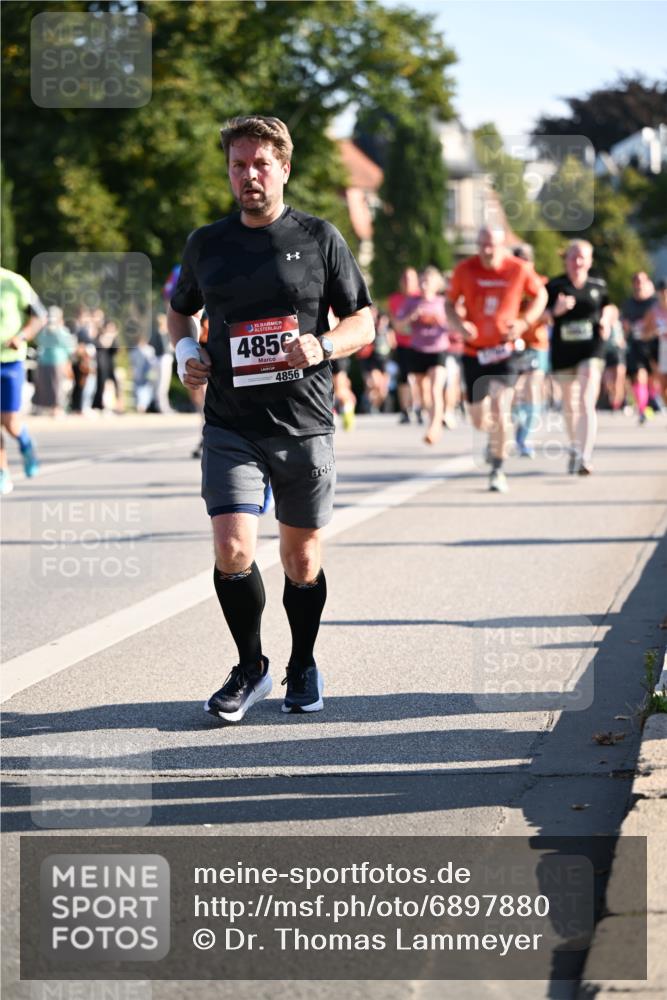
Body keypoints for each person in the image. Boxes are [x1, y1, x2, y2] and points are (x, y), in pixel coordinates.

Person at [167, 114, 374, 723]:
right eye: (238, 165)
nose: (249, 176)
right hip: (230, 423)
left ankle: (302, 662)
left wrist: (325, 345)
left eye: (260, 164)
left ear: (284, 168)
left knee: (301, 561)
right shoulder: (207, 242)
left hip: (303, 423)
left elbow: (364, 318)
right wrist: (185, 351)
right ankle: (251, 665)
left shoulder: (319, 236)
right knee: (233, 548)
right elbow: (180, 312)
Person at [446, 226, 547, 492]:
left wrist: (524, 321)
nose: (486, 251)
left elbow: (541, 295)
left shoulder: (519, 268)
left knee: (501, 408)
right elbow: (449, 302)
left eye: (492, 245)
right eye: (482, 245)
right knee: (479, 418)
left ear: (503, 245)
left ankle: (498, 469)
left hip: (506, 349)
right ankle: (494, 439)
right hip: (474, 351)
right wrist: (459, 323)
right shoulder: (465, 269)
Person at [545, 240, 613, 475]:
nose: (578, 262)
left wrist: (606, 319)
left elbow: (610, 307)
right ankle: (575, 446)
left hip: (591, 348)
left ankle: (585, 456)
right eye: (573, 257)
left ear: (590, 260)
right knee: (569, 404)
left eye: (582, 257)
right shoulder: (554, 286)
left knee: (585, 399)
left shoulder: (598, 285)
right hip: (563, 351)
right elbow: (540, 317)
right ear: (566, 259)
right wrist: (556, 311)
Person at [0, 267, 46, 494]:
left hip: (9, 362)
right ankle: (3, 471)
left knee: (9, 422)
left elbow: (40, 316)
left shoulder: (13, 282)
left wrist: (21, 337)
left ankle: (26, 442)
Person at [398, 266, 450, 445]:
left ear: (436, 285)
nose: (423, 284)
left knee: (436, 388)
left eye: (427, 281)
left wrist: (439, 320)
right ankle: (432, 420)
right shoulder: (411, 302)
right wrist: (412, 317)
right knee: (423, 393)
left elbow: (452, 327)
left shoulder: (442, 302)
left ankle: (434, 427)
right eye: (421, 281)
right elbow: (399, 326)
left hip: (438, 350)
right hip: (417, 349)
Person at [511, 244, 550, 459]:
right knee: (514, 390)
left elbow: (549, 313)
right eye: (517, 261)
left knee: (532, 387)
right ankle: (515, 426)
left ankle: (524, 437)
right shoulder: (507, 284)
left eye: (525, 261)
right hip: (511, 344)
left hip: (536, 343)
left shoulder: (543, 284)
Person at [621, 271, 659, 423]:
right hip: (635, 344)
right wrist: (626, 328)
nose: (639, 285)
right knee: (639, 376)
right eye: (636, 281)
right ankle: (642, 409)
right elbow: (624, 322)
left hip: (654, 344)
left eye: (642, 281)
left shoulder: (654, 302)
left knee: (654, 379)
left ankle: (653, 400)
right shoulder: (628, 303)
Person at [388, 267, 422, 423]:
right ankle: (405, 409)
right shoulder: (395, 299)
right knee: (404, 378)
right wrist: (410, 319)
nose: (408, 282)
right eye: (405, 279)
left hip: (421, 344)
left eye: (411, 279)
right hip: (402, 344)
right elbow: (396, 324)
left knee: (420, 378)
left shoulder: (422, 298)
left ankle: (420, 406)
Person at [32, 306, 75, 417]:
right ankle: (42, 407)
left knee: (57, 386)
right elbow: (38, 341)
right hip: (44, 361)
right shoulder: (45, 330)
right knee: (43, 385)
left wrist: (57, 331)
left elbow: (70, 347)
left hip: (58, 361)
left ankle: (57, 408)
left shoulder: (62, 331)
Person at [642, 279, 667, 404]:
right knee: (663, 385)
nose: (664, 294)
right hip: (660, 350)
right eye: (662, 292)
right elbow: (644, 334)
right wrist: (654, 332)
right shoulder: (652, 311)